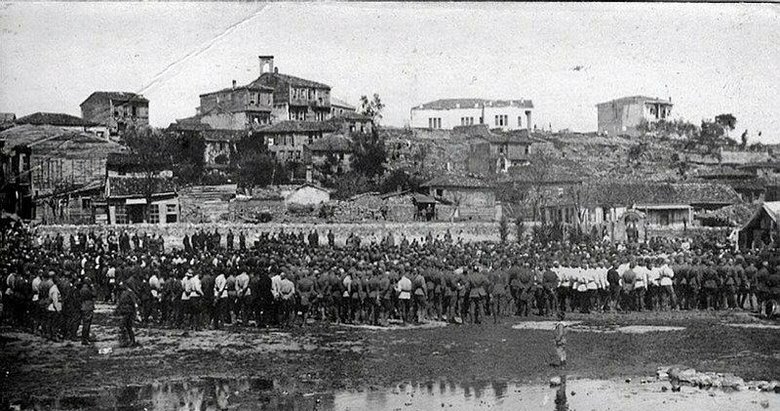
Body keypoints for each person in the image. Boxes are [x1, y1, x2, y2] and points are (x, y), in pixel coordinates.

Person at [116, 281, 140, 348]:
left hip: (129, 311)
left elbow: (135, 303)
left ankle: (131, 341)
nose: (120, 287)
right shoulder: (122, 292)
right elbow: (120, 302)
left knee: (126, 326)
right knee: (126, 326)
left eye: (121, 285)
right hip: (123, 311)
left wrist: (137, 312)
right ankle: (127, 340)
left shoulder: (130, 292)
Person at [79, 277, 95, 346]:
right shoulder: (87, 289)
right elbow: (94, 294)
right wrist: (92, 287)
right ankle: (85, 338)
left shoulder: (82, 289)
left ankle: (85, 338)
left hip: (83, 306)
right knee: (87, 324)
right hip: (88, 306)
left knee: (85, 323)